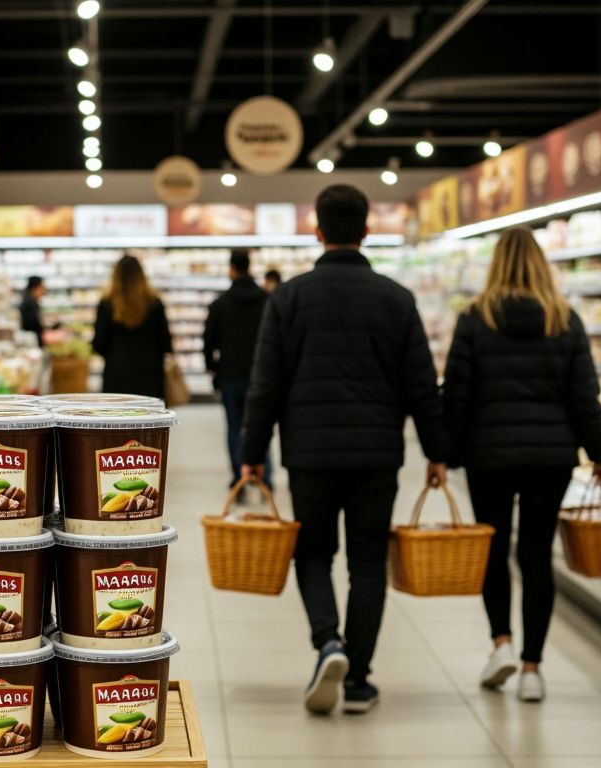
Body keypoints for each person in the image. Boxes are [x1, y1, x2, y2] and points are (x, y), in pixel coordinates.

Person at [240, 184, 447, 716]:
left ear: (317, 231)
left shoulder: (288, 297)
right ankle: (358, 680)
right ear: (367, 231)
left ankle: (328, 642)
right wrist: (437, 451)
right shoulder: (397, 299)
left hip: (308, 451)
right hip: (378, 452)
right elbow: (422, 385)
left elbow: (266, 383)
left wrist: (252, 451)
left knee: (312, 553)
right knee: (368, 564)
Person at [442, 227, 601, 704]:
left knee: (493, 551)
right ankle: (533, 668)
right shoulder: (565, 319)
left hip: (488, 455)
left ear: (495, 266)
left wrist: (445, 453)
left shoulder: (476, 319)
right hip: (550, 457)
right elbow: (585, 398)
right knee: (536, 556)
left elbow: (456, 393)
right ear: (542, 265)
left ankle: (501, 643)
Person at [203, 249, 271, 490]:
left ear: (231, 268)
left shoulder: (220, 304)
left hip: (230, 374)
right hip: (261, 374)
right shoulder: (266, 300)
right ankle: (265, 477)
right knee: (261, 423)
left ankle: (238, 477)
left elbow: (208, 340)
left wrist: (212, 368)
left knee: (234, 426)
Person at [93, 255, 173, 399]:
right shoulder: (154, 303)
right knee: (149, 418)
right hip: (150, 373)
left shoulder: (107, 304)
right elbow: (166, 342)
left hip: (116, 372)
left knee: (116, 417)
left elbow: (98, 343)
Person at [19, 276, 49, 346]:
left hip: (31, 337)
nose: (44, 289)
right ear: (36, 287)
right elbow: (33, 324)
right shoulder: (29, 302)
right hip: (32, 339)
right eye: (42, 286)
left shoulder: (29, 299)